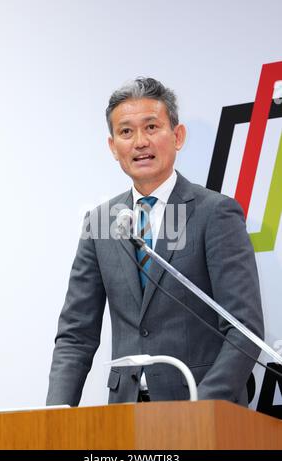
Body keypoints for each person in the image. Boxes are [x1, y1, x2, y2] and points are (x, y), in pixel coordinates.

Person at [46, 77, 264, 407]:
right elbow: (76, 334)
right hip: (127, 411)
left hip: (203, 411)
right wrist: (54, 415)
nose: (140, 142)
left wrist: (202, 407)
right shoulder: (101, 222)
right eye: (126, 132)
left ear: (177, 136)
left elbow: (244, 329)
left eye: (151, 127)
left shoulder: (215, 213)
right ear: (112, 146)